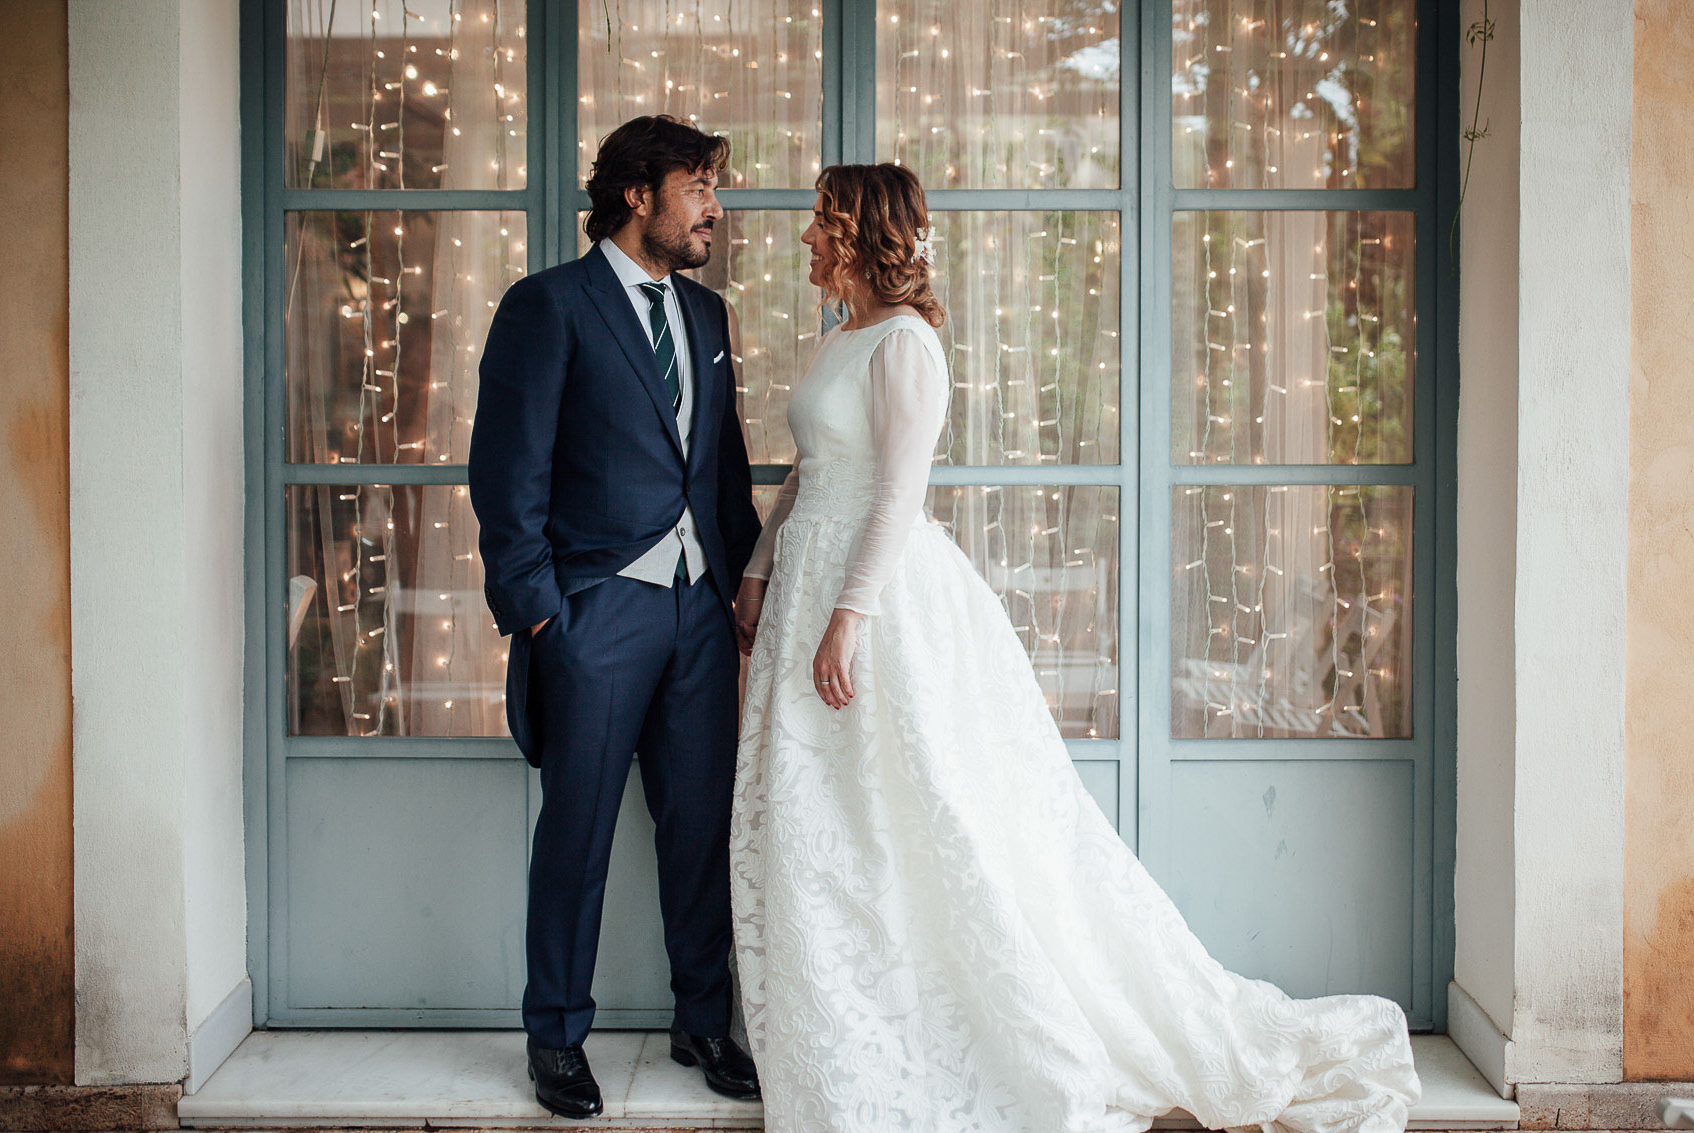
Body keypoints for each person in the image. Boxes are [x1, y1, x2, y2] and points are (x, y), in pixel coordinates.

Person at [728, 162, 1422, 1133]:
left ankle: (960, 1028)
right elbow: (810, 475)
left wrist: (849, 614)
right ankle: (849, 1012)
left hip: (877, 609)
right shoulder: (837, 339)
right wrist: (760, 569)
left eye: (817, 221)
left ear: (855, 232)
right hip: (804, 591)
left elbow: (894, 494)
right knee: (835, 826)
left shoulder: (907, 345)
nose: (804, 237)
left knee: (920, 819)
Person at [469, 114, 762, 1119]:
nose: (713, 209)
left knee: (697, 828)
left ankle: (701, 1017)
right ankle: (554, 1034)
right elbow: (506, 479)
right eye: (698, 188)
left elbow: (718, 471)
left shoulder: (709, 316)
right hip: (594, 614)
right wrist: (544, 615)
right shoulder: (546, 306)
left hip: (695, 612)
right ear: (637, 194)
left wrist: (741, 589)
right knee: (579, 836)